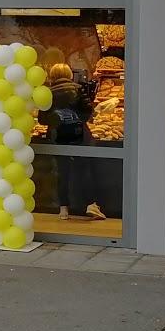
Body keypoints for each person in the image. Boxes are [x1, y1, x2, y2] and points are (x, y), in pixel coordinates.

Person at [41, 63, 106, 220]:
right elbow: (88, 111)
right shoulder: (78, 88)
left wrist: (57, 121)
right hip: (79, 135)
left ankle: (63, 209)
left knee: (62, 173)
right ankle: (91, 205)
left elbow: (42, 119)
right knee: (85, 170)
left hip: (58, 136)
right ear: (69, 74)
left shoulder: (47, 93)